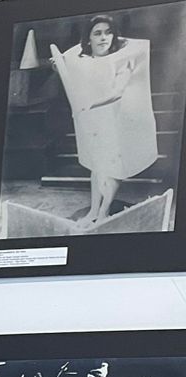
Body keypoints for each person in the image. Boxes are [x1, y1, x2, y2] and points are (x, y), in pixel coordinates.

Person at [49, 16, 158, 226]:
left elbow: (117, 92)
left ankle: (103, 213)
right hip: (93, 121)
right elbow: (72, 82)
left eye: (108, 32)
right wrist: (60, 68)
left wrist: (89, 104)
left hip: (117, 120)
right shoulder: (82, 61)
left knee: (113, 168)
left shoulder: (124, 59)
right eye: (97, 33)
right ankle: (93, 211)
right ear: (89, 38)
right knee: (97, 167)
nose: (103, 37)